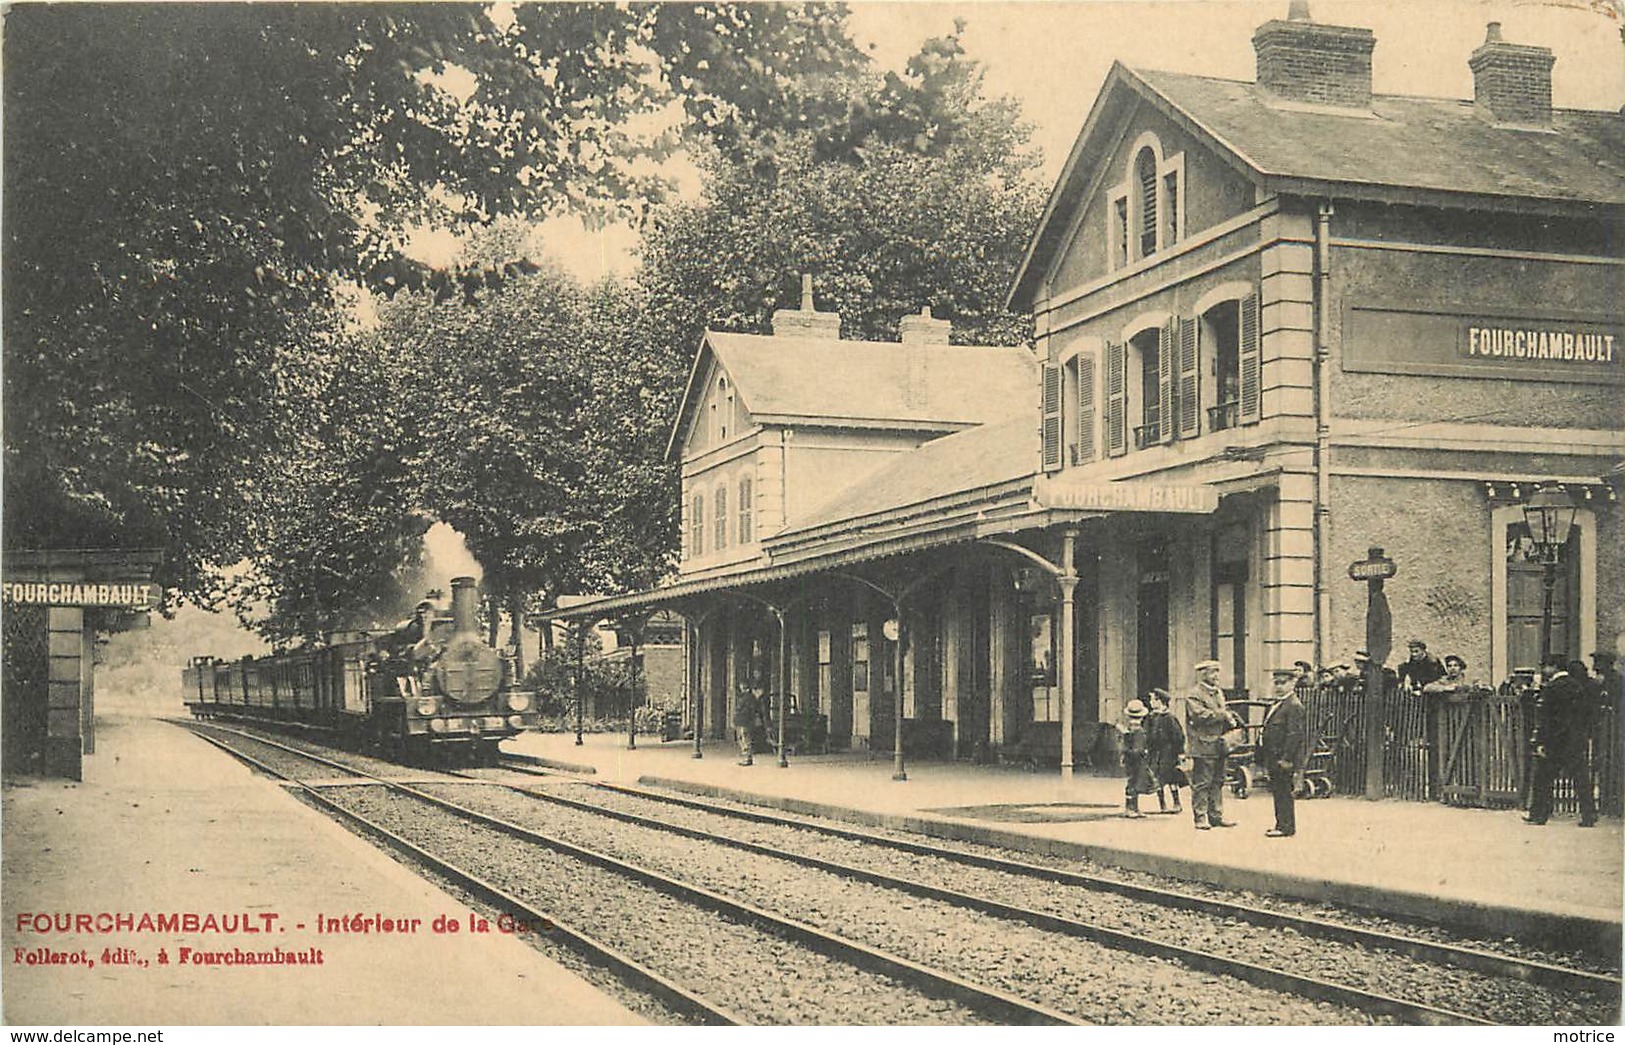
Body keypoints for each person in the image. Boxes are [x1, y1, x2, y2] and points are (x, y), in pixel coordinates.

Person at [1524, 655, 1597, 827]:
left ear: (1554, 667)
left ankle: (1538, 815)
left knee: (1542, 778)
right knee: (1581, 779)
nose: (1544, 671)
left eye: (1546, 667)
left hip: (1554, 742)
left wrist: (1540, 742)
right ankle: (1589, 816)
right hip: (1575, 739)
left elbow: (1546, 719)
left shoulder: (1551, 688)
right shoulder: (1577, 686)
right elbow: (1586, 714)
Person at [1183, 660, 1240, 830]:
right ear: (1203, 674)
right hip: (1203, 745)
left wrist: (1229, 718)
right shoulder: (1194, 694)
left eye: (1217, 672)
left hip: (1219, 744)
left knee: (1218, 780)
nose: (1216, 676)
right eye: (1212, 672)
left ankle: (1216, 815)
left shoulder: (1218, 693)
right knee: (1202, 782)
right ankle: (1200, 817)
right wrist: (1223, 715)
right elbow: (1200, 716)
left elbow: (1219, 713)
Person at [1260, 667, 1310, 838]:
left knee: (1283, 791)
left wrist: (1287, 758)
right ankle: (1280, 824)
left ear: (1293, 683)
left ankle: (1286, 826)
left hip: (1283, 757)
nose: (1279, 687)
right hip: (1274, 756)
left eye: (1283, 683)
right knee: (1278, 790)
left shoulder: (1293, 706)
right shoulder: (1278, 704)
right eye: (1276, 683)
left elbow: (1294, 734)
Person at [1144, 688, 1185, 814]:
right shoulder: (1150, 717)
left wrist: (1180, 752)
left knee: (1171, 777)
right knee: (1157, 778)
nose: (1151, 702)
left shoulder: (1169, 718)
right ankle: (1162, 804)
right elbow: (1146, 734)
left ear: (1160, 701)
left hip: (1168, 752)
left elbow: (1178, 736)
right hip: (1154, 752)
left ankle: (1177, 802)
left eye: (1153, 699)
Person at [1121, 700, 1153, 818]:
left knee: (1134, 781)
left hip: (1133, 758)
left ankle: (1133, 807)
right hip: (1136, 758)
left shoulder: (1129, 729)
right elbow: (1137, 747)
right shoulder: (1137, 730)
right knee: (1133, 782)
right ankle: (1130, 808)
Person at [733, 680, 760, 766]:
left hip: (744, 721)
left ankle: (747, 757)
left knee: (744, 739)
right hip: (743, 721)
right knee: (743, 738)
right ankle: (746, 757)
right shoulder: (747, 697)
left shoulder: (747, 697)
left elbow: (744, 709)